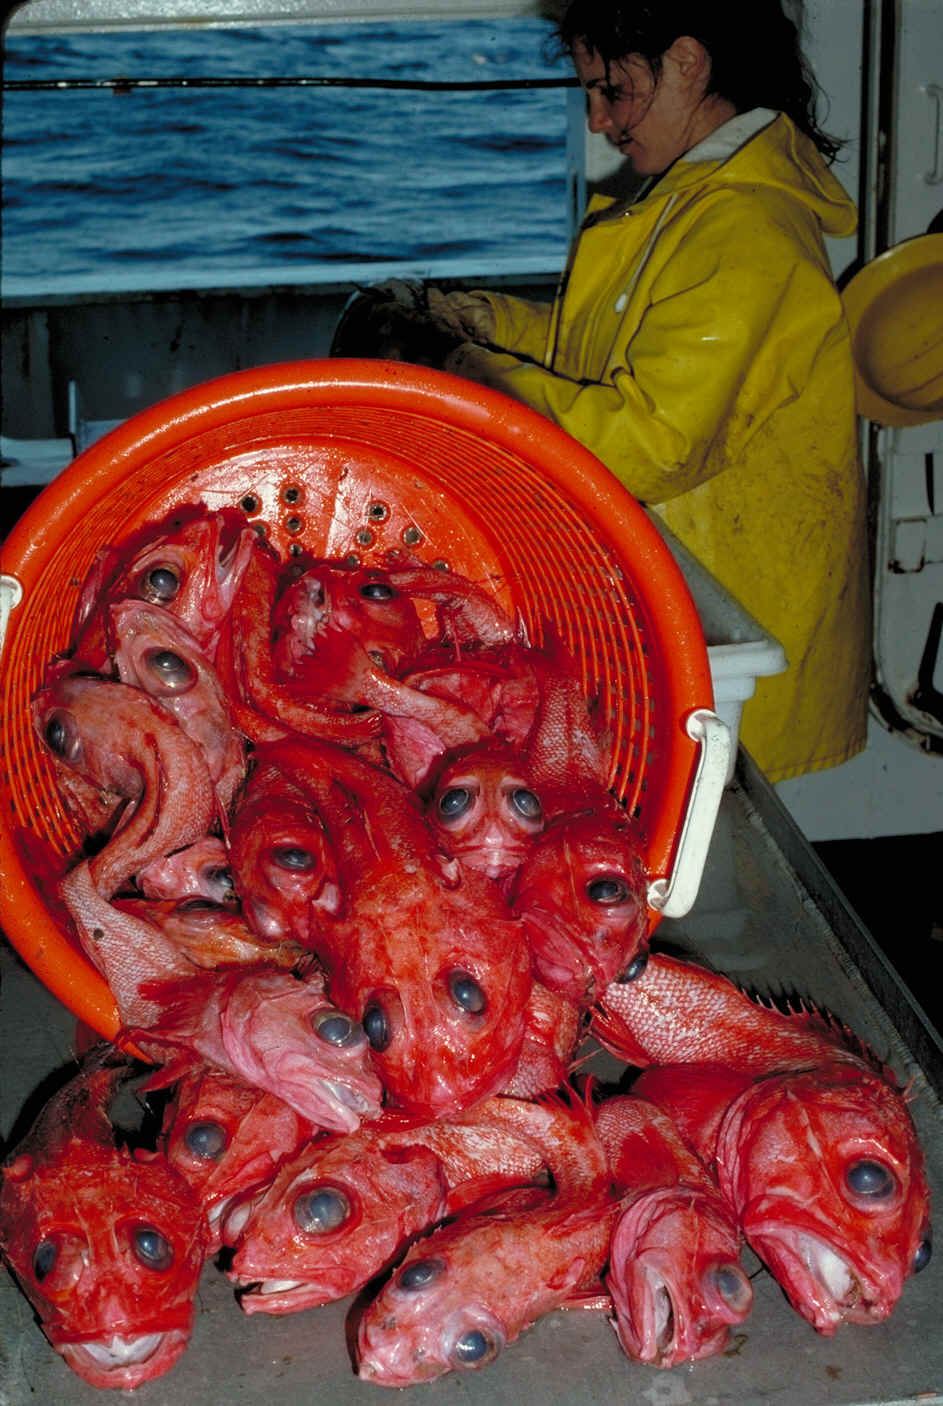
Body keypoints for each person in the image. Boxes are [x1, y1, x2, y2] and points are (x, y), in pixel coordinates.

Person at [331, 0, 871, 785]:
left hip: (733, 636)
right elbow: (588, 350)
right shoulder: (687, 200)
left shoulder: (746, 232)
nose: (596, 122)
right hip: (679, 606)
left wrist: (456, 371)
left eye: (611, 90)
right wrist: (470, 320)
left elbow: (644, 446)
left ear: (687, 62)